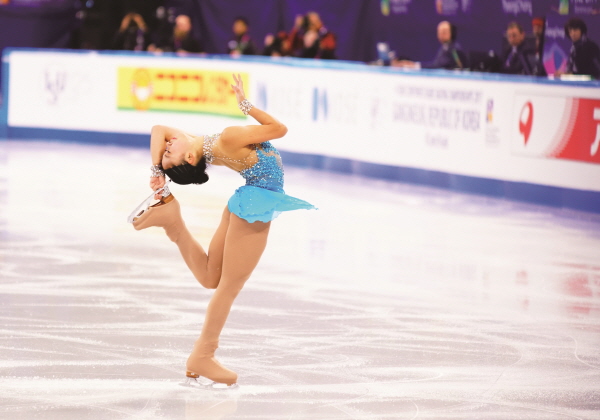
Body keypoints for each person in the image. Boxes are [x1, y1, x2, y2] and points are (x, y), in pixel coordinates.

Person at [129, 74, 316, 387]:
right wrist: (246, 106)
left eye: (168, 149)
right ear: (190, 158)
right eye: (169, 152)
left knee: (210, 277)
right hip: (255, 203)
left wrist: (158, 168)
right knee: (228, 286)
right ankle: (203, 355)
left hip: (245, 200)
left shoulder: (204, 146)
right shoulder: (225, 139)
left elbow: (158, 129)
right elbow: (280, 129)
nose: (168, 144)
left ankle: (172, 222)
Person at [392, 21, 467, 70]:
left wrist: (415, 65)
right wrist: (413, 65)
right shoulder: (444, 48)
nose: (441, 34)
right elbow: (436, 64)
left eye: (444, 32)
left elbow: (438, 66)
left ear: (452, 33)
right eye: (439, 32)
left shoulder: (454, 49)